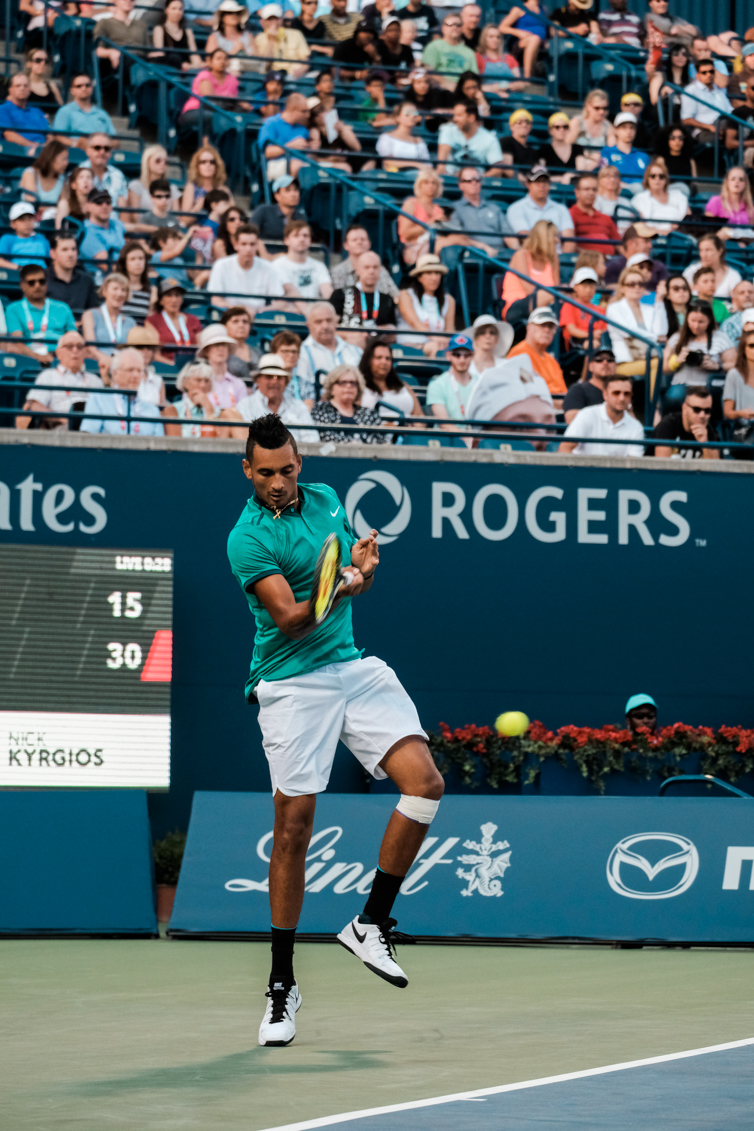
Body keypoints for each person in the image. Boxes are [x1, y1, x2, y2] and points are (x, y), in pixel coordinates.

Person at [227, 411, 442, 1031]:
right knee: (293, 829)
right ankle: (281, 984)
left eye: (287, 469)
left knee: (424, 784)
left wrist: (364, 570)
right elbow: (294, 617)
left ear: (301, 464)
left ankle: (371, 920)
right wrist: (347, 585)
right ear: (248, 470)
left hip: (351, 667)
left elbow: (352, 582)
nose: (277, 481)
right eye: (265, 472)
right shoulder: (247, 539)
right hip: (290, 684)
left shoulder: (324, 499)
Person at [14, 331, 101, 430]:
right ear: (59, 353)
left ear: (85, 352)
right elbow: (35, 406)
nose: (75, 350)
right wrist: (61, 419)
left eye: (80, 347)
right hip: (60, 427)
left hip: (92, 427)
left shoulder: (95, 380)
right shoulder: (48, 376)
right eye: (69, 346)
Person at [229, 353, 314, 444]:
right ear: (258, 381)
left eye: (279, 377)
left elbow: (312, 440)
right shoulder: (245, 405)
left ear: (286, 382)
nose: (274, 382)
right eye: (269, 377)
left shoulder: (299, 407)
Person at [81, 347, 164, 436]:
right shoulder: (98, 400)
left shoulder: (152, 410)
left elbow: (159, 446)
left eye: (139, 371)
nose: (136, 375)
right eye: (130, 370)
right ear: (115, 373)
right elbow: (88, 437)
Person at [293, 302, 362, 405]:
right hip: (320, 411)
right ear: (309, 326)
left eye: (329, 320)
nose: (325, 326)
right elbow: (302, 391)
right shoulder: (300, 353)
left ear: (336, 322)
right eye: (318, 322)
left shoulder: (356, 351)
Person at [208, 224, 285, 316]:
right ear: (235, 245)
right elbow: (215, 300)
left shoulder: (268, 267)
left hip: (259, 317)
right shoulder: (221, 265)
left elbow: (280, 302)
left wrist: (261, 311)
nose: (248, 249)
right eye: (244, 244)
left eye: (252, 244)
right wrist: (241, 310)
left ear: (257, 245)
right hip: (229, 316)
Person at [5, 263, 75, 365]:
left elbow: (73, 338)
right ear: (22, 286)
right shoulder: (13, 309)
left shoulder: (63, 308)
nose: (37, 285)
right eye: (31, 282)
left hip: (61, 357)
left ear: (47, 284)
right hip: (29, 358)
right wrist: (38, 357)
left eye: (41, 281)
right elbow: (17, 342)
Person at [397, 167, 468, 265]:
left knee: (457, 240)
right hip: (413, 247)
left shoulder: (438, 209)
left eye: (434, 183)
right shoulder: (410, 204)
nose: (430, 186)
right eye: (426, 182)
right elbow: (405, 233)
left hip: (438, 245)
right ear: (419, 185)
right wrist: (430, 224)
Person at [559, 373, 643, 456]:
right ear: (605, 395)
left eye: (627, 394)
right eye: (616, 393)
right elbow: (565, 448)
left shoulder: (636, 427)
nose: (622, 398)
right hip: (582, 469)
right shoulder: (586, 415)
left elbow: (633, 464)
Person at [310, 364, 388, 444]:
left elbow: (382, 440)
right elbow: (326, 438)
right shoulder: (320, 410)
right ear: (332, 387)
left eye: (353, 383)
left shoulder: (369, 413)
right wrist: (353, 445)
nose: (348, 386)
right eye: (343, 382)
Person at [397, 253, 455, 358]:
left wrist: (444, 341)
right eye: (429, 273)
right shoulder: (405, 295)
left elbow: (449, 331)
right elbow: (413, 322)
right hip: (411, 344)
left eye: (437, 273)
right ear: (419, 277)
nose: (434, 278)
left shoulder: (449, 300)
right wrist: (435, 337)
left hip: (438, 346)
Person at [501, 218, 559, 323]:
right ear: (543, 238)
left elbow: (557, 288)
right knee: (547, 295)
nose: (557, 240)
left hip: (546, 305)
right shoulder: (521, 255)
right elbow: (529, 290)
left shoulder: (553, 259)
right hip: (516, 307)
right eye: (554, 236)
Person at [448, 166, 517, 252]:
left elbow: (509, 235)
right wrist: (484, 247)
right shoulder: (454, 208)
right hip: (472, 253)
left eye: (477, 180)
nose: (474, 183)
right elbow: (457, 237)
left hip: (500, 253)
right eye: (469, 180)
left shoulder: (495, 208)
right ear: (460, 185)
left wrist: (517, 250)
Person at [179, 49, 249, 134]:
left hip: (222, 112)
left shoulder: (232, 79)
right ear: (211, 62)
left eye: (225, 59)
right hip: (196, 110)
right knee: (216, 117)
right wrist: (235, 104)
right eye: (218, 58)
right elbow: (209, 103)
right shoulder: (204, 76)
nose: (222, 61)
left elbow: (233, 100)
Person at [507, 306, 568, 403]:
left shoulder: (552, 360)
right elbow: (529, 394)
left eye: (550, 327)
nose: (547, 330)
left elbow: (563, 391)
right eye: (542, 325)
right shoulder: (519, 354)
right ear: (529, 328)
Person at [331, 251, 397, 337]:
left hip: (377, 344)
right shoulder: (340, 294)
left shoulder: (387, 299)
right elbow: (331, 326)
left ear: (380, 270)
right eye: (366, 267)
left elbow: (392, 328)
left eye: (375, 267)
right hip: (348, 344)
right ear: (357, 270)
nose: (371, 271)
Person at [505, 165, 576, 245]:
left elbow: (569, 239)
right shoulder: (516, 208)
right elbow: (525, 238)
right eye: (537, 181)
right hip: (532, 255)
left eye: (545, 181)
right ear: (528, 184)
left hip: (557, 255)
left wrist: (563, 257)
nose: (542, 185)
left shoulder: (561, 208)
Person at [272, 220, 332, 314]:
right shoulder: (278, 265)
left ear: (310, 240)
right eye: (296, 236)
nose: (302, 239)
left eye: (305, 236)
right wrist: (310, 314)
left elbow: (328, 293)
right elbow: (291, 292)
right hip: (288, 316)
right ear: (286, 240)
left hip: (314, 317)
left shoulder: (319, 266)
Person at [82, 273, 136, 372]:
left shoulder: (131, 322)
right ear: (105, 291)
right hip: (97, 366)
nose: (119, 294)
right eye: (115, 289)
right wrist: (108, 361)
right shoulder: (90, 315)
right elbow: (90, 347)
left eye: (123, 290)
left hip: (123, 369)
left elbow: (132, 351)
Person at [664, 299, 726, 386]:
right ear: (686, 319)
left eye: (701, 322)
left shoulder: (721, 338)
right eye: (692, 320)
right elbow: (664, 369)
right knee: (674, 397)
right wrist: (677, 360)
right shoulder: (677, 338)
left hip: (711, 385)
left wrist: (718, 366)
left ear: (710, 320)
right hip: (683, 384)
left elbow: (735, 366)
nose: (696, 326)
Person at [359, 337, 422, 421]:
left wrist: (411, 432)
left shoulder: (404, 387)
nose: (384, 362)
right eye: (379, 357)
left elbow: (419, 416)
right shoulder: (358, 388)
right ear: (368, 360)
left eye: (388, 358)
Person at [425, 332, 477, 432]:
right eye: (457, 355)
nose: (462, 360)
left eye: (466, 355)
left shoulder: (480, 383)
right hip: (448, 441)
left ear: (472, 356)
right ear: (448, 355)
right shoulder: (437, 385)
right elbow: (444, 424)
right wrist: (468, 438)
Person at [437, 99, 503, 176]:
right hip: (451, 179)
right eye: (455, 115)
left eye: (459, 115)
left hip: (476, 183)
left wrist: (477, 179)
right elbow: (441, 161)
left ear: (471, 117)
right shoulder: (448, 130)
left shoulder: (490, 139)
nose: (455, 119)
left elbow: (498, 169)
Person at [94, 0, 150, 91]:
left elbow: (149, 51)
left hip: (142, 59)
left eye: (132, 0)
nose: (128, 1)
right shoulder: (104, 23)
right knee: (133, 62)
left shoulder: (141, 25)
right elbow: (98, 50)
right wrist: (110, 52)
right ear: (115, 1)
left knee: (173, 59)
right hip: (122, 60)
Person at [331, 224, 398, 299]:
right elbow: (336, 301)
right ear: (346, 245)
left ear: (369, 244)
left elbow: (395, 296)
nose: (359, 242)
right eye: (354, 240)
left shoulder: (381, 270)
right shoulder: (337, 272)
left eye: (363, 239)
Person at [653, 384, 719, 459]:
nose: (702, 415)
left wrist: (705, 444)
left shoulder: (708, 430)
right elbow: (661, 465)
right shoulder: (667, 425)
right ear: (684, 408)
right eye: (696, 409)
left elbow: (715, 467)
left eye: (707, 411)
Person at [163, 361, 227, 439]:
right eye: (198, 380)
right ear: (185, 382)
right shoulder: (173, 410)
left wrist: (209, 410)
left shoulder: (219, 412)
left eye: (206, 381)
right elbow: (174, 443)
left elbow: (222, 441)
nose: (203, 385)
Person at [257, 93, 312, 180]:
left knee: (337, 167)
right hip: (275, 164)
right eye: (304, 111)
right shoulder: (271, 123)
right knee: (298, 166)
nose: (308, 115)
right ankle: (292, 192)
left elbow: (310, 153)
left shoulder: (302, 128)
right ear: (293, 110)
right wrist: (290, 146)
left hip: (302, 163)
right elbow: (267, 152)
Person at [146, 277, 201, 362]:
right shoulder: (152, 321)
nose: (174, 300)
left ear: (182, 299)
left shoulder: (193, 320)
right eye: (169, 295)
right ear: (161, 300)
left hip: (191, 369)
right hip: (165, 368)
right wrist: (175, 366)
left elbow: (200, 349)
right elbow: (155, 354)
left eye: (177, 295)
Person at [196, 322, 248, 409]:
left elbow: (244, 414)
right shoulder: (197, 382)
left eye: (223, 344)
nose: (220, 348)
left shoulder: (238, 384)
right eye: (216, 345)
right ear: (206, 351)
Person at [45, 231, 99, 314]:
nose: (71, 254)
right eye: (64, 250)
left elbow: (94, 313)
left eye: (73, 249)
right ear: (53, 253)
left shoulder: (87, 281)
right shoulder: (41, 280)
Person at [630, 160, 690, 233]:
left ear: (666, 179)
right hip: (651, 237)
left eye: (661, 176)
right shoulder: (639, 199)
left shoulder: (678, 196)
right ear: (647, 178)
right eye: (653, 176)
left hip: (679, 235)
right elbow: (640, 225)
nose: (657, 179)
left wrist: (676, 229)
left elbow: (688, 218)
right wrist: (659, 231)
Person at [681, 60, 733, 143]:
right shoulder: (691, 90)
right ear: (698, 76)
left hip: (724, 128)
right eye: (704, 72)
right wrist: (709, 127)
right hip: (705, 131)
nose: (709, 75)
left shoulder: (719, 91)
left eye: (711, 71)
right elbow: (686, 119)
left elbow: (730, 112)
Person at [569, 172, 620, 255]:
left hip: (610, 262)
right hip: (584, 261)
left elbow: (618, 243)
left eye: (594, 189)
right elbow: (569, 245)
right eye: (586, 189)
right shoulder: (570, 215)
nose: (591, 193)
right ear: (577, 192)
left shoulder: (605, 218)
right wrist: (593, 256)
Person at [421, 13, 478, 87]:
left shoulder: (469, 52)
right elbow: (427, 70)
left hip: (463, 91)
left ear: (462, 28)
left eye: (458, 25)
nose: (454, 27)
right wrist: (446, 83)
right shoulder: (434, 46)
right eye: (450, 25)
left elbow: (474, 77)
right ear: (443, 28)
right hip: (439, 89)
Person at [53, 73, 114, 142]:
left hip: (101, 150)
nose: (84, 88)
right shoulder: (64, 111)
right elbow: (58, 137)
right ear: (72, 90)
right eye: (79, 86)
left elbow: (115, 140)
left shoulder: (102, 113)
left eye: (87, 85)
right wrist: (77, 144)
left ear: (92, 88)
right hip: (74, 152)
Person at [604, 224, 668, 289]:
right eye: (646, 241)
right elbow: (609, 289)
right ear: (631, 243)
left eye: (649, 269)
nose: (650, 246)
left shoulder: (659, 266)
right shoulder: (614, 266)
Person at [255, 3, 309, 77]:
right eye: (270, 19)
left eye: (276, 18)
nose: (274, 22)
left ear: (281, 19)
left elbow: (305, 59)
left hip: (293, 74)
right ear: (263, 21)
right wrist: (271, 40)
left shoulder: (296, 34)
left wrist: (301, 70)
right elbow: (263, 66)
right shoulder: (260, 38)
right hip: (272, 75)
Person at [559, 266, 606, 350]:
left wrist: (598, 334)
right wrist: (591, 335)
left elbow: (605, 330)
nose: (588, 290)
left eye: (591, 286)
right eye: (584, 286)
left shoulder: (601, 310)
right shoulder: (569, 305)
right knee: (593, 344)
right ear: (575, 287)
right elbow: (571, 330)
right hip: (576, 342)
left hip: (597, 341)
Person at [599, 113, 649, 192]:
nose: (628, 131)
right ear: (616, 130)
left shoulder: (643, 156)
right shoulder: (606, 152)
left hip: (641, 193)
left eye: (632, 128)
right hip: (615, 191)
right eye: (623, 128)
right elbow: (604, 175)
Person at [562, 347, 614, 423]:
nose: (605, 363)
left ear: (615, 365)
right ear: (590, 366)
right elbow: (572, 420)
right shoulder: (578, 389)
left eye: (610, 360)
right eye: (599, 360)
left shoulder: (623, 391)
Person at [251, 175, 308, 245]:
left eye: (296, 189)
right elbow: (250, 235)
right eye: (288, 190)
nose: (293, 194)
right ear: (277, 196)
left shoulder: (301, 217)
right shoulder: (263, 211)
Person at [498, 0, 547, 80]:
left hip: (540, 45)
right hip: (521, 44)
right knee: (534, 39)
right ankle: (527, 77)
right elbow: (502, 27)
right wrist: (519, 32)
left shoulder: (543, 10)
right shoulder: (519, 9)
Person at [723, 330, 754, 454]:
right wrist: (741, 413)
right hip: (745, 429)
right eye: (752, 346)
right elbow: (728, 412)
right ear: (743, 349)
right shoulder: (734, 374)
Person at [683, 234, 742, 298]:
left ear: (720, 251)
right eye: (701, 250)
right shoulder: (690, 272)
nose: (704, 255)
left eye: (708, 250)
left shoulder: (733, 276)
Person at [376, 103, 430, 171]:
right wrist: (416, 164)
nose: (412, 117)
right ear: (398, 117)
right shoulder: (386, 137)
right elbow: (387, 161)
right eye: (407, 114)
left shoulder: (419, 140)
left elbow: (427, 164)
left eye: (414, 114)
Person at [0, 72, 49, 148]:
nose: (22, 88)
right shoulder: (3, 110)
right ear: (10, 90)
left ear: (30, 90)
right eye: (18, 86)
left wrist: (49, 148)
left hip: (43, 152)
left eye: (25, 86)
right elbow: (9, 135)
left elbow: (49, 134)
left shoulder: (37, 111)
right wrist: (34, 146)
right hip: (18, 154)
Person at [79, 189, 127, 264]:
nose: (105, 206)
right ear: (88, 207)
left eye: (108, 202)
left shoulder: (114, 224)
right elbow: (107, 266)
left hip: (125, 268)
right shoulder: (86, 232)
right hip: (105, 274)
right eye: (99, 202)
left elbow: (135, 227)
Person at [705, 165, 754, 240]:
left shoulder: (750, 206)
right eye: (733, 179)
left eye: (741, 179)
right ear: (727, 182)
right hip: (721, 243)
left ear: (745, 184)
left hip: (744, 245)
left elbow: (751, 231)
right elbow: (708, 230)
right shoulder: (716, 201)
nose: (737, 182)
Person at [151, 0, 203, 70]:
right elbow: (159, 53)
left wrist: (191, 66)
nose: (177, 12)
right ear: (166, 10)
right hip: (169, 70)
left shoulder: (188, 32)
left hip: (186, 71)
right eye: (173, 8)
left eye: (180, 9)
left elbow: (195, 56)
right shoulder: (159, 29)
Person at [536, 112, 587, 183]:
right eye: (557, 127)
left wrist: (570, 176)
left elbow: (581, 171)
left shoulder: (577, 148)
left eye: (565, 127)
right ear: (551, 130)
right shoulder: (544, 150)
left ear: (569, 129)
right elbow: (541, 174)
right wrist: (563, 178)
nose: (561, 130)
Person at [566, 90, 615, 162]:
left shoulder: (608, 127)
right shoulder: (577, 122)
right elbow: (566, 146)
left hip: (599, 166)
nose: (601, 112)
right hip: (576, 165)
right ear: (588, 106)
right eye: (597, 108)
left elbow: (613, 151)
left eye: (604, 108)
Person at [81, 134, 128, 209]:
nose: (102, 152)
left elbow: (123, 209)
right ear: (88, 150)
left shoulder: (118, 175)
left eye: (106, 148)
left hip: (113, 220)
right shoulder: (78, 172)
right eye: (97, 148)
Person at [474, 24, 525, 93]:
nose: (495, 40)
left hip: (510, 97)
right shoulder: (478, 57)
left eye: (498, 37)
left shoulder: (509, 58)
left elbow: (519, 84)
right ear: (484, 39)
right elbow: (475, 85)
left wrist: (500, 86)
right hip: (488, 97)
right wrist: (493, 89)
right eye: (491, 37)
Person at [0, 201, 51, 269]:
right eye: (22, 220)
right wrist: (20, 268)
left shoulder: (41, 238)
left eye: (30, 219)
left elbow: (52, 260)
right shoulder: (7, 239)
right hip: (16, 277)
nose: (27, 223)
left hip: (42, 276)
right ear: (12, 224)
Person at [181, 144, 230, 215]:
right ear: (197, 166)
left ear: (217, 166)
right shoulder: (191, 187)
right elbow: (184, 220)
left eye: (212, 162)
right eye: (203, 162)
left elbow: (233, 215)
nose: (208, 165)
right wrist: (200, 204)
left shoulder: (223, 190)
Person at [115, 241, 154, 324]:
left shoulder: (152, 291)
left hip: (142, 334)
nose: (138, 263)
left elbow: (151, 321)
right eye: (132, 259)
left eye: (141, 258)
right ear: (125, 262)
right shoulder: (115, 288)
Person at [647, 43, 691, 115]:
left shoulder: (691, 80)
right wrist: (663, 95)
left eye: (684, 55)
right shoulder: (660, 76)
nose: (680, 57)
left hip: (685, 114)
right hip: (666, 114)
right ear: (670, 57)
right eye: (676, 54)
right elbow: (654, 101)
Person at [654, 125, 697, 194]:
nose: (677, 141)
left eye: (680, 138)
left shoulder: (690, 160)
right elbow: (657, 180)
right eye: (673, 138)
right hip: (667, 192)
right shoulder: (661, 160)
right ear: (666, 140)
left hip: (686, 193)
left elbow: (694, 182)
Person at [466, 314, 513, 378]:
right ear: (475, 339)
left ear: (497, 339)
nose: (488, 336)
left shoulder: (505, 365)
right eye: (482, 332)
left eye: (492, 333)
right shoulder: (465, 364)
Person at [221, 306, 255, 380]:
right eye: (235, 321)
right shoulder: (220, 351)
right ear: (224, 326)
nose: (241, 325)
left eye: (245, 321)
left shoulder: (257, 351)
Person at [654, 273, 691, 341]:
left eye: (685, 288)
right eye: (676, 289)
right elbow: (659, 333)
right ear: (667, 295)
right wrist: (659, 299)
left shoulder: (697, 311)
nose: (681, 291)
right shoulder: (662, 313)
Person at [54, 165, 93, 230]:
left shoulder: (97, 204)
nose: (85, 181)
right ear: (73, 185)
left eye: (89, 177)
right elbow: (59, 229)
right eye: (81, 177)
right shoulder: (65, 204)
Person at [500, 108, 538, 175]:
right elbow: (507, 168)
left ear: (531, 126)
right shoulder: (505, 142)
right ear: (511, 126)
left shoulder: (532, 151)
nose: (524, 125)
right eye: (519, 122)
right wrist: (526, 182)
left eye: (527, 122)